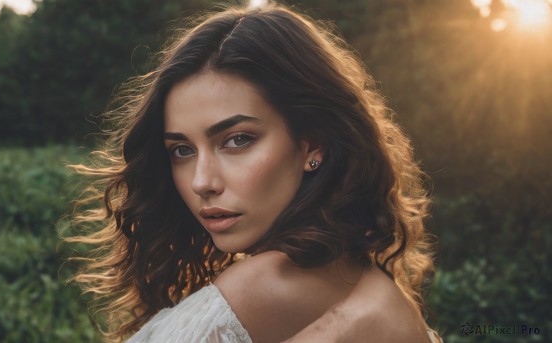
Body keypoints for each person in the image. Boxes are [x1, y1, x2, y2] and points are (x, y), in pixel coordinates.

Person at [68, 2, 441, 343]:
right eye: (182, 150)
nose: (202, 182)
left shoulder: (263, 288)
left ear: (312, 145)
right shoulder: (366, 279)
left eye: (237, 140)